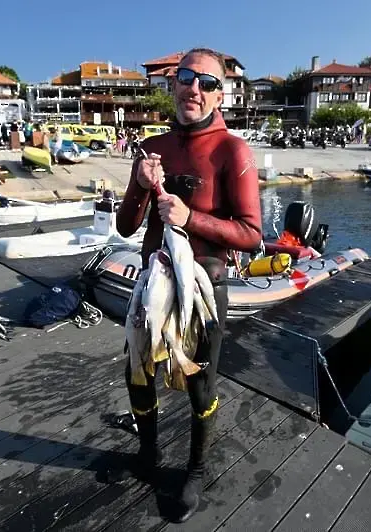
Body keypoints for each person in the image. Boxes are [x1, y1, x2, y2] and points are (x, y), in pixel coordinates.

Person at [115, 47, 262, 522]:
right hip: (154, 281)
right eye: (185, 78)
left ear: (222, 93)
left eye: (207, 82)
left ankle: (196, 469)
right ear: (172, 85)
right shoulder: (154, 146)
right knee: (138, 371)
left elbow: (251, 234)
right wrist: (139, 183)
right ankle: (148, 455)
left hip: (203, 285)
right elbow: (123, 227)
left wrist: (190, 217)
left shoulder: (232, 150)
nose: (193, 88)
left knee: (199, 382)